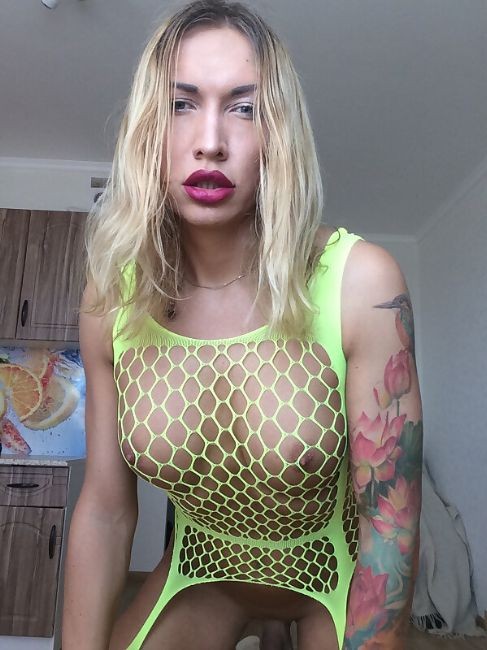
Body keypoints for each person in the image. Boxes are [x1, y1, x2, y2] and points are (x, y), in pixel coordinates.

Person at [62, 1, 423, 648]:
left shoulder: (361, 284)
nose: (209, 140)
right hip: (203, 573)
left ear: (277, 133)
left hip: (337, 571)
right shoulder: (112, 300)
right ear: (148, 127)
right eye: (181, 104)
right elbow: (106, 510)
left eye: (244, 107)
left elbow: (388, 523)